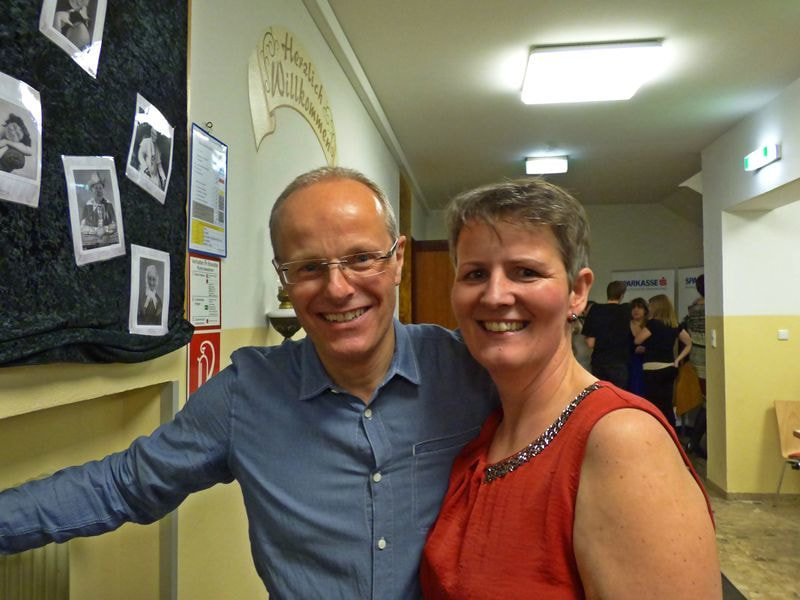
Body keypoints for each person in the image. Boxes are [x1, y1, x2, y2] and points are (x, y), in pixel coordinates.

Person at [0, 166, 497, 598]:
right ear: (283, 278)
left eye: (361, 258)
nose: (338, 288)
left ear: (398, 259)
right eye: (309, 267)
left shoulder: (471, 372)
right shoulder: (247, 394)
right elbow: (123, 484)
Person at [420, 178, 720, 599]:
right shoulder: (486, 427)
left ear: (577, 292)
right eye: (475, 274)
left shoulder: (623, 442)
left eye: (526, 272)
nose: (495, 295)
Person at [634, 294, 693, 429]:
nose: (649, 308)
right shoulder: (674, 325)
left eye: (650, 306)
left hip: (652, 368)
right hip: (669, 367)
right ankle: (671, 431)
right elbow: (689, 342)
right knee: (667, 403)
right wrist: (678, 359)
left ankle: (655, 430)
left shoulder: (653, 324)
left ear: (656, 307)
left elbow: (637, 340)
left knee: (653, 404)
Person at [581, 279, 632, 388]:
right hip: (619, 362)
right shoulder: (626, 310)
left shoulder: (595, 310)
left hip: (599, 362)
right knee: (618, 395)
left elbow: (590, 343)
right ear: (621, 295)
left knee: (600, 394)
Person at [686, 274, 707, 458]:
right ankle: (694, 442)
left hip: (696, 358)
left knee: (707, 403)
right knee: (709, 404)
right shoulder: (708, 309)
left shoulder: (693, 308)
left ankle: (694, 442)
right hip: (705, 361)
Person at [79, 171, 117, 249]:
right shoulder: (88, 205)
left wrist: (104, 229)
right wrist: (95, 231)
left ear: (103, 190)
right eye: (96, 188)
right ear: (92, 190)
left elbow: (115, 225)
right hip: (92, 243)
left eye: (100, 188)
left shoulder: (109, 204)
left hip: (107, 242)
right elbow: (82, 227)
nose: (98, 191)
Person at [626, 296, 649, 396]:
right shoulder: (625, 325)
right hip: (630, 361)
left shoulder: (650, 325)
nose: (636, 310)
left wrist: (646, 349)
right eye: (633, 307)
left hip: (647, 361)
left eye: (639, 307)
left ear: (645, 310)